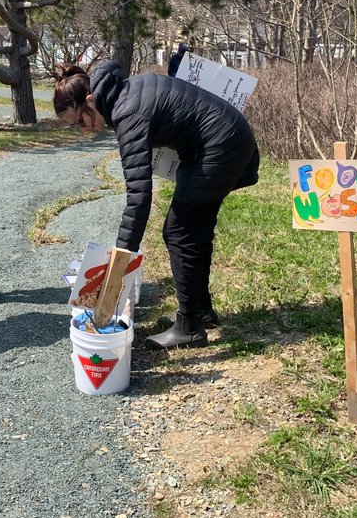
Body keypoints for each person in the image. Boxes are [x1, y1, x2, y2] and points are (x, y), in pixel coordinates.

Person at [53, 61, 260, 348]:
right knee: (194, 230)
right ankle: (200, 311)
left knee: (179, 233)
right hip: (226, 139)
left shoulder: (127, 112)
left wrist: (120, 257)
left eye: (80, 121)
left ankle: (188, 327)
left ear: (90, 100)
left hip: (219, 146)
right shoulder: (127, 92)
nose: (84, 129)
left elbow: (138, 194)